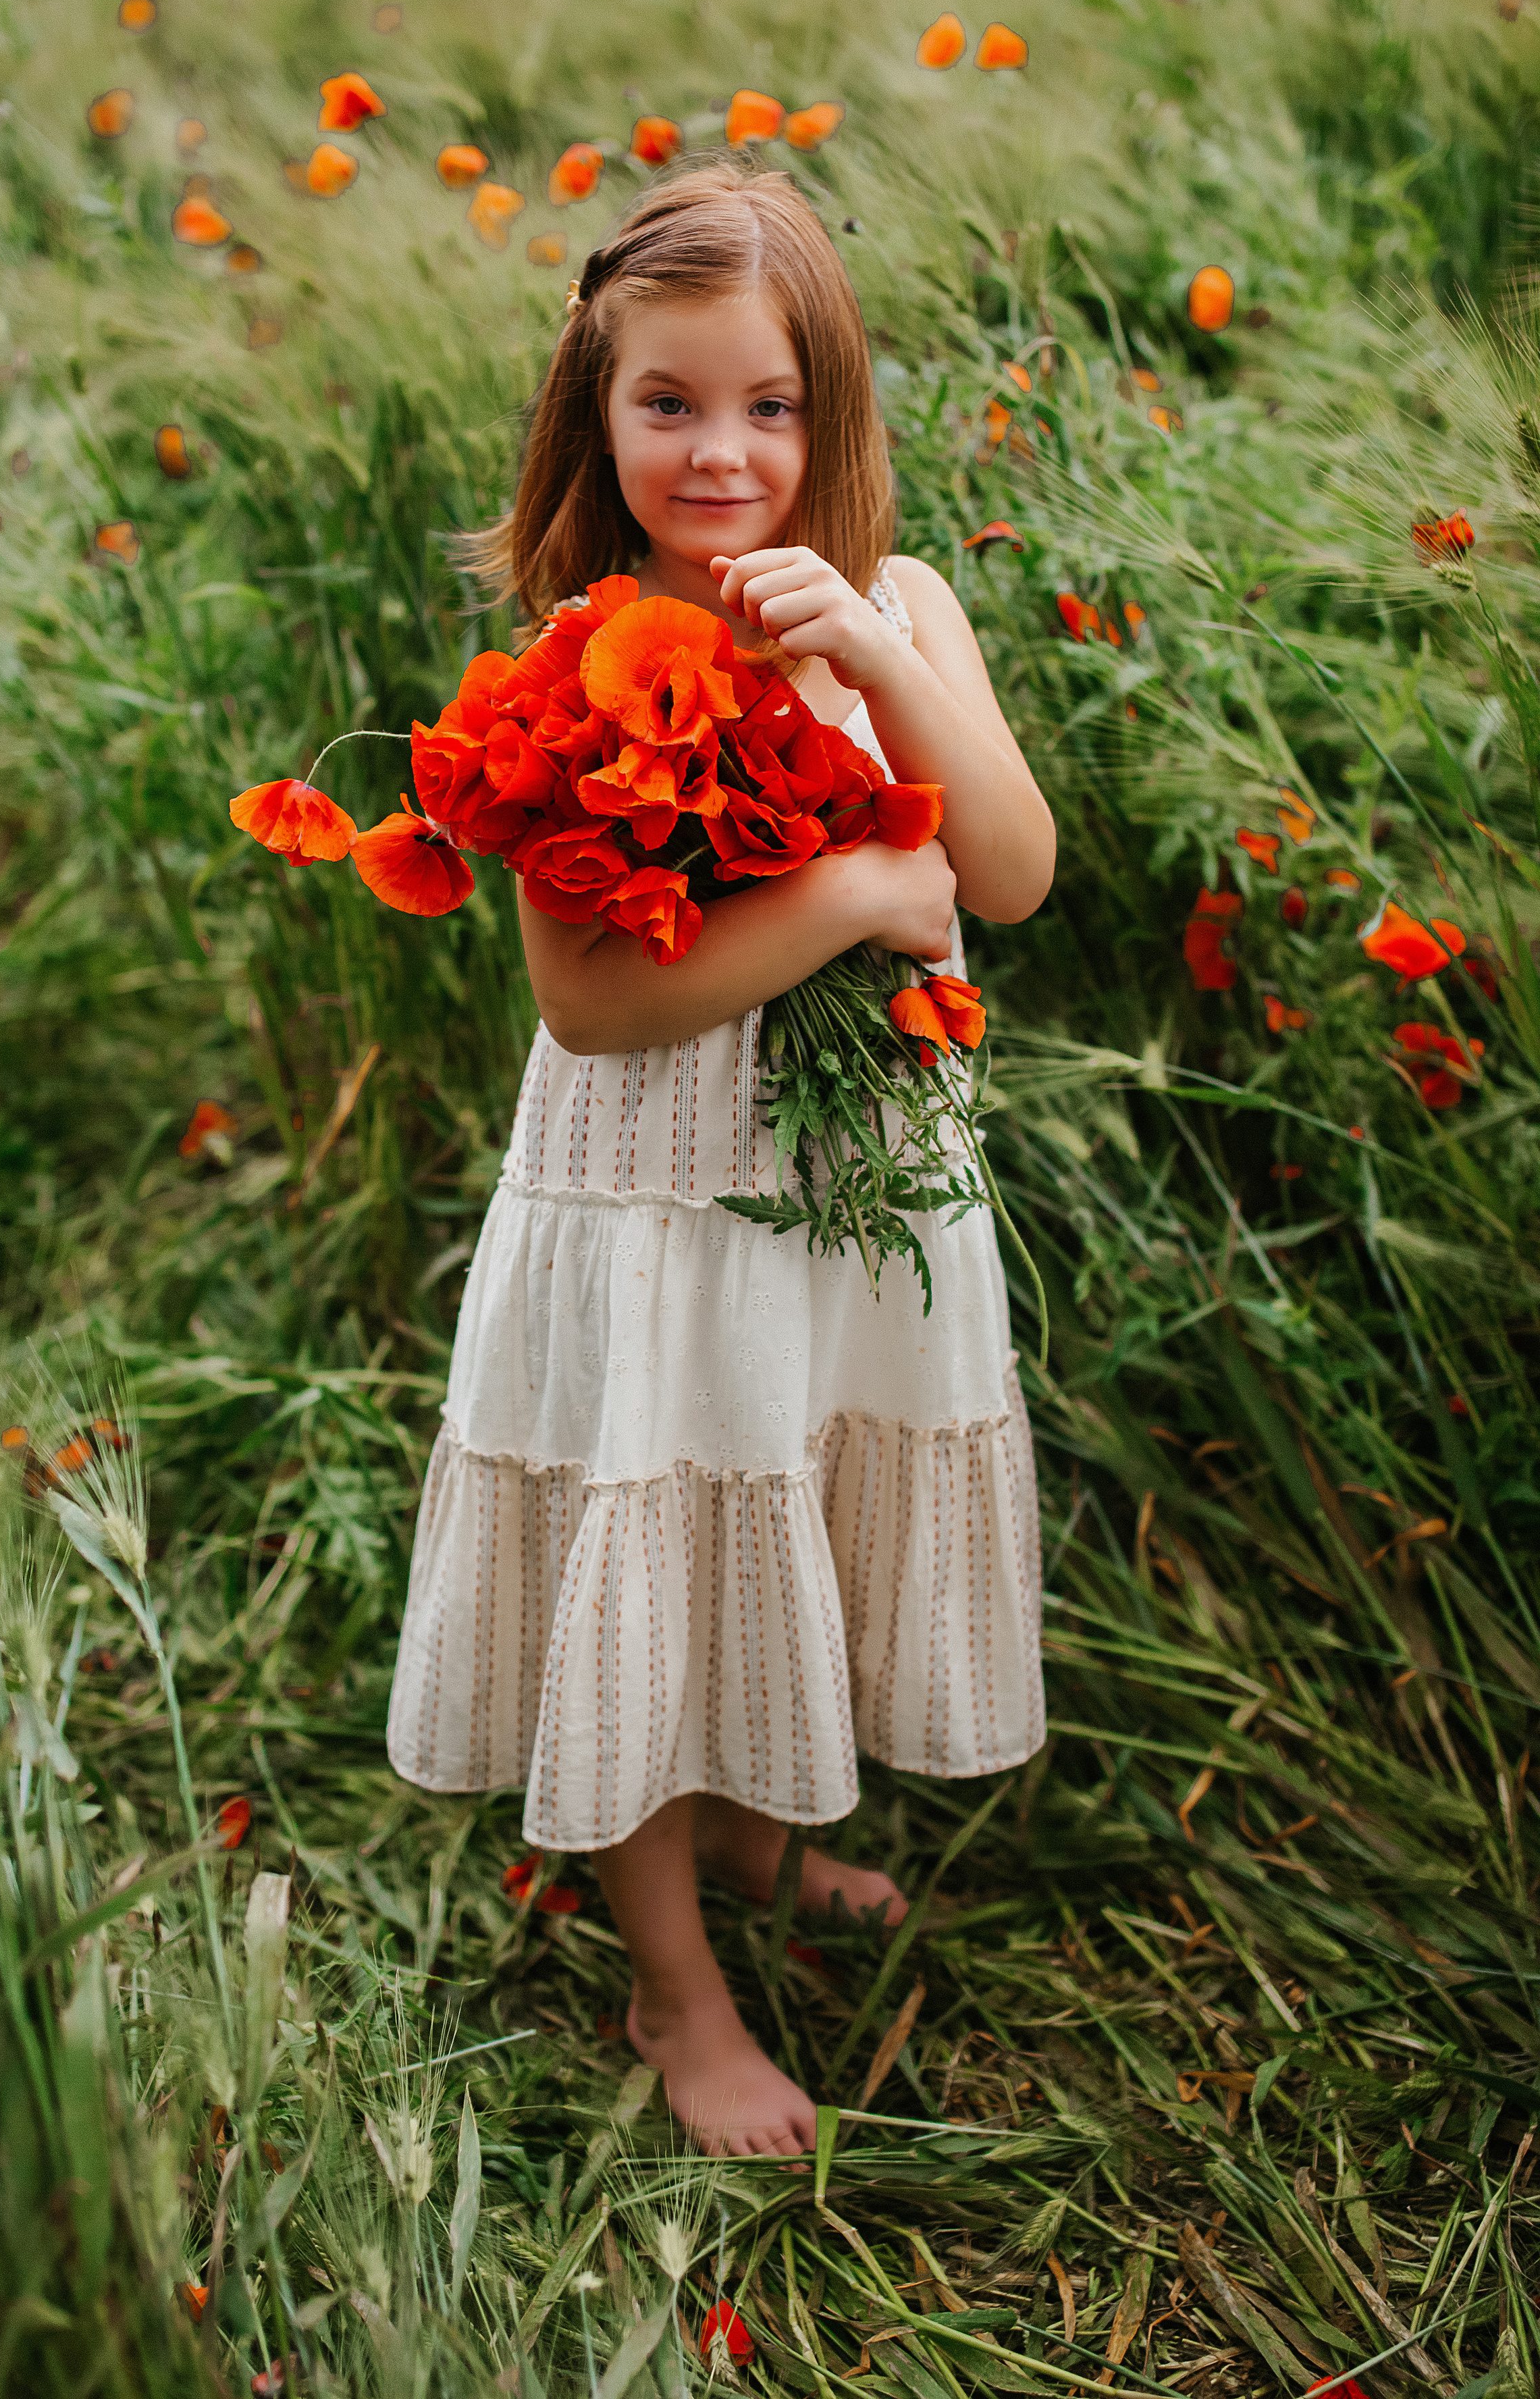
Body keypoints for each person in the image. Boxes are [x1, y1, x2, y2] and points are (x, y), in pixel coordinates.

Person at [388, 160, 1055, 2157]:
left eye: (769, 404)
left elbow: (1011, 869)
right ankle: (673, 1984)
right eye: (668, 402)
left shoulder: (902, 607)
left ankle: (760, 1830)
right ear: (596, 412)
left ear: (827, 410)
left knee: (796, 1493)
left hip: (849, 1195)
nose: (721, 452)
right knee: (661, 1535)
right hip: (661, 1197)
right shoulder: (580, 660)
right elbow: (595, 1004)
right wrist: (849, 891)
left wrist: (878, 650)